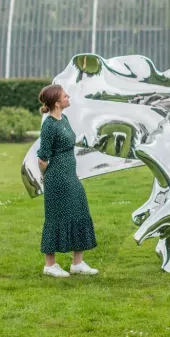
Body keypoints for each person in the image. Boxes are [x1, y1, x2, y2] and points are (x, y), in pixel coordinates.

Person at [37, 84, 99, 278]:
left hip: (70, 176)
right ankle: (50, 265)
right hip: (57, 178)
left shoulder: (63, 118)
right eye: (65, 95)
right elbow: (42, 158)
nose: (68, 96)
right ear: (57, 102)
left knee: (80, 211)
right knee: (56, 217)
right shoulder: (49, 125)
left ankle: (77, 263)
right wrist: (49, 177)